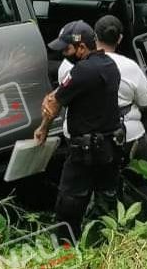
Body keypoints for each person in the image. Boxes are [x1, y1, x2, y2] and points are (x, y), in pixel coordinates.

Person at [34, 20, 125, 241]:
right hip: (111, 148)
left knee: (69, 206)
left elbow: (53, 103)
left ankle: (66, 254)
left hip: (84, 153)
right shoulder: (110, 65)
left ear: (82, 47)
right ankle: (105, 247)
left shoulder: (81, 71)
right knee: (106, 203)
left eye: (67, 49)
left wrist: (43, 128)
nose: (64, 54)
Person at [56, 16, 147, 211]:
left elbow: (59, 99)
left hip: (80, 136)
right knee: (142, 176)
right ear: (119, 39)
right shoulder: (129, 66)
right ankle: (142, 214)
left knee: (78, 187)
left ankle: (82, 225)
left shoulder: (67, 66)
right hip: (121, 134)